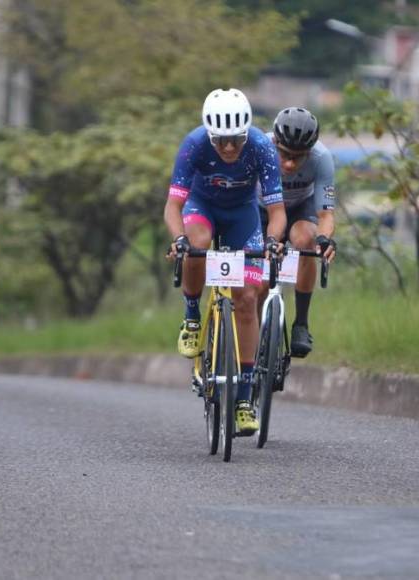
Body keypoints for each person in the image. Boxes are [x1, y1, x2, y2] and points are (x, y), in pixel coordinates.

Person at [163, 88, 286, 435]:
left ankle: (244, 399)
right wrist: (179, 239)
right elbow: (173, 206)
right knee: (196, 243)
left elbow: (277, 212)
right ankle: (191, 316)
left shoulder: (261, 147)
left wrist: (273, 242)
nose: (229, 148)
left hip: (243, 216)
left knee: (248, 297)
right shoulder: (194, 144)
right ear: (209, 134)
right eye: (221, 141)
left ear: (246, 132)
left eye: (235, 140)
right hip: (203, 207)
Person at [258, 107, 337, 357]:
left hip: (299, 208)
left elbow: (325, 214)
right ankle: (252, 325)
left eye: (298, 157)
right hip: (262, 209)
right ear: (275, 142)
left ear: (310, 152)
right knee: (259, 281)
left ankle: (301, 323)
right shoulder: (259, 148)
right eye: (284, 154)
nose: (290, 163)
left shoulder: (322, 158)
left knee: (306, 240)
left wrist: (324, 239)